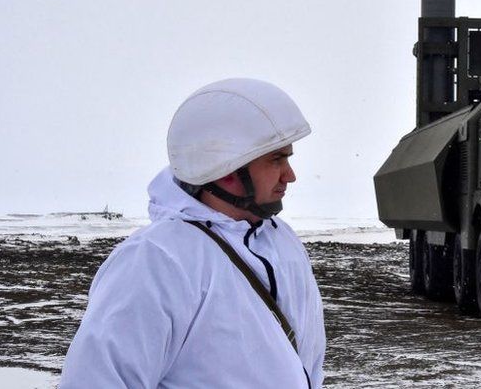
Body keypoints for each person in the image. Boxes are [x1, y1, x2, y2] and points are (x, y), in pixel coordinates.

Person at [60, 78, 325, 388]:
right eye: (276, 159)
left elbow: (307, 365)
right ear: (227, 170)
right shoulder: (157, 260)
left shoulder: (283, 242)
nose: (290, 176)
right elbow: (97, 380)